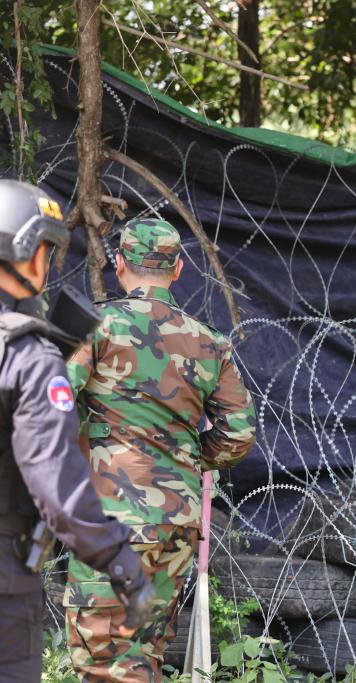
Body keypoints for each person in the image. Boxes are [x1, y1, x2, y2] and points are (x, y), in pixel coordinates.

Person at [66, 217, 257, 681]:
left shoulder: (95, 324)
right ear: (177, 269)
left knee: (104, 660)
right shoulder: (209, 341)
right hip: (177, 521)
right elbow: (238, 434)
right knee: (143, 653)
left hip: (113, 516)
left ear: (118, 263)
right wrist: (182, 460)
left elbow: (48, 402)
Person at [0, 180, 155, 682]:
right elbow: (57, 486)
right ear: (27, 253)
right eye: (45, 251)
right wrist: (119, 560)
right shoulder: (27, 358)